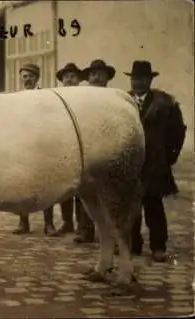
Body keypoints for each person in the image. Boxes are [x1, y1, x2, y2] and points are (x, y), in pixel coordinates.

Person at [124, 60, 186, 262]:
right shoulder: (122, 102)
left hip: (154, 165)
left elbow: (178, 132)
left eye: (142, 79)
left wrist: (168, 157)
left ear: (150, 80)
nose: (137, 83)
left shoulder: (166, 104)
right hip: (130, 164)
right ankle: (133, 244)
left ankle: (158, 246)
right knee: (131, 207)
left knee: (154, 207)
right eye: (134, 79)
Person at [72, 59, 116, 244]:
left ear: (107, 78)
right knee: (84, 192)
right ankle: (84, 230)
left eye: (100, 73)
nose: (96, 77)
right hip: (87, 150)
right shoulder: (82, 99)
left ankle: (113, 235)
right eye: (92, 74)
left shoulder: (115, 98)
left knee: (111, 195)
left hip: (110, 150)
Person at [13, 63, 57, 236]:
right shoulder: (16, 97)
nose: (27, 79)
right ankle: (23, 223)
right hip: (23, 145)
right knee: (22, 185)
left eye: (30, 76)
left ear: (37, 78)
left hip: (42, 145)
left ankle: (49, 224)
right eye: (24, 76)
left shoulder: (46, 96)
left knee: (47, 185)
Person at [44, 63, 84, 237]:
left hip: (81, 145)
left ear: (78, 79)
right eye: (66, 76)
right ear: (62, 80)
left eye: (73, 76)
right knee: (65, 187)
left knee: (82, 189)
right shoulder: (57, 98)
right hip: (63, 145)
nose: (69, 79)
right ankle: (67, 222)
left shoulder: (84, 97)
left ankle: (83, 226)